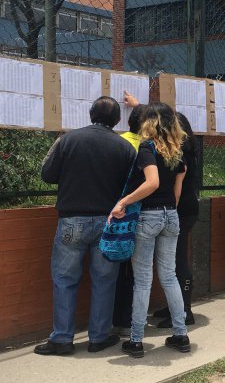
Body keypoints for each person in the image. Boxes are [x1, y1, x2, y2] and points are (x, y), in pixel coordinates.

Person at [36, 96, 135, 356]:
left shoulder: (68, 139)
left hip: (71, 220)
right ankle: (99, 337)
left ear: (91, 114)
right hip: (109, 221)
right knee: (104, 280)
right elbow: (131, 186)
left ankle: (61, 339)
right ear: (116, 121)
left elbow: (47, 175)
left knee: (64, 280)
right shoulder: (124, 148)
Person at [110, 102, 190, 358]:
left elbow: (152, 182)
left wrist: (123, 201)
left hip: (149, 218)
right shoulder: (177, 152)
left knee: (143, 280)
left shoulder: (147, 147)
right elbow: (176, 192)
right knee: (169, 276)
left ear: (150, 122)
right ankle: (181, 335)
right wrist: (167, 213)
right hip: (171, 216)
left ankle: (136, 340)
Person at [152, 112, 200, 328]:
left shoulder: (182, 153)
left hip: (181, 210)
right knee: (172, 260)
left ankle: (185, 311)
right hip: (186, 209)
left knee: (178, 260)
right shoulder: (187, 149)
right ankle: (176, 306)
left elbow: (176, 189)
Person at [113, 102, 146, 336]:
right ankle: (134, 320)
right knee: (137, 271)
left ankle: (120, 320)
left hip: (119, 210)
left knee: (119, 267)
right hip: (142, 212)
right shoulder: (151, 147)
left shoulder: (120, 142)